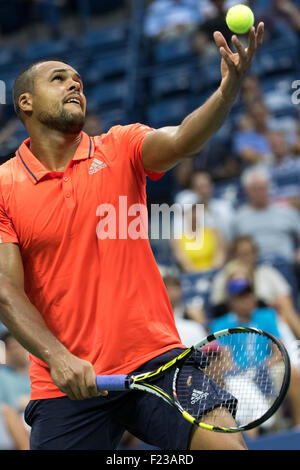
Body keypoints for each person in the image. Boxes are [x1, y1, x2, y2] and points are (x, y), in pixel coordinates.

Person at [0, 22, 264, 450]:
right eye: (59, 78)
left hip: (158, 361)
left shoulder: (119, 146)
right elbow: (6, 291)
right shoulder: (4, 187)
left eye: (78, 81)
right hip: (68, 383)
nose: (74, 85)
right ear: (25, 102)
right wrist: (58, 358)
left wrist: (226, 94)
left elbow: (181, 140)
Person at [210, 276, 300, 431]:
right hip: (237, 375)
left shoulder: (267, 315)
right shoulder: (220, 324)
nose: (247, 299)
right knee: (239, 388)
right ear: (231, 301)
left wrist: (263, 366)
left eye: (249, 294)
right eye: (241, 296)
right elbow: (224, 360)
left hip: (267, 368)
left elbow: (279, 350)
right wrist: (242, 372)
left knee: (290, 371)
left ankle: (298, 426)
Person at [211, 235, 300, 341]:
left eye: (249, 253)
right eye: (242, 254)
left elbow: (286, 301)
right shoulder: (223, 276)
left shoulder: (267, 272)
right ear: (234, 255)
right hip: (233, 319)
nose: (246, 257)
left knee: (282, 310)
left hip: (270, 314)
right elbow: (218, 306)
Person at [232, 166, 300, 265]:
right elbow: (232, 249)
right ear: (247, 191)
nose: (259, 193)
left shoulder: (286, 211)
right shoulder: (238, 218)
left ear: (268, 187)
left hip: (286, 265)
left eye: (262, 188)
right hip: (254, 267)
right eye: (255, 189)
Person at [171, 203, 226, 272]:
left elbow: (220, 252)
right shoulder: (177, 239)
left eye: (196, 211)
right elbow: (183, 260)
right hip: (192, 275)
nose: (194, 215)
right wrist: (198, 274)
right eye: (190, 212)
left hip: (215, 272)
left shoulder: (213, 231)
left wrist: (213, 269)